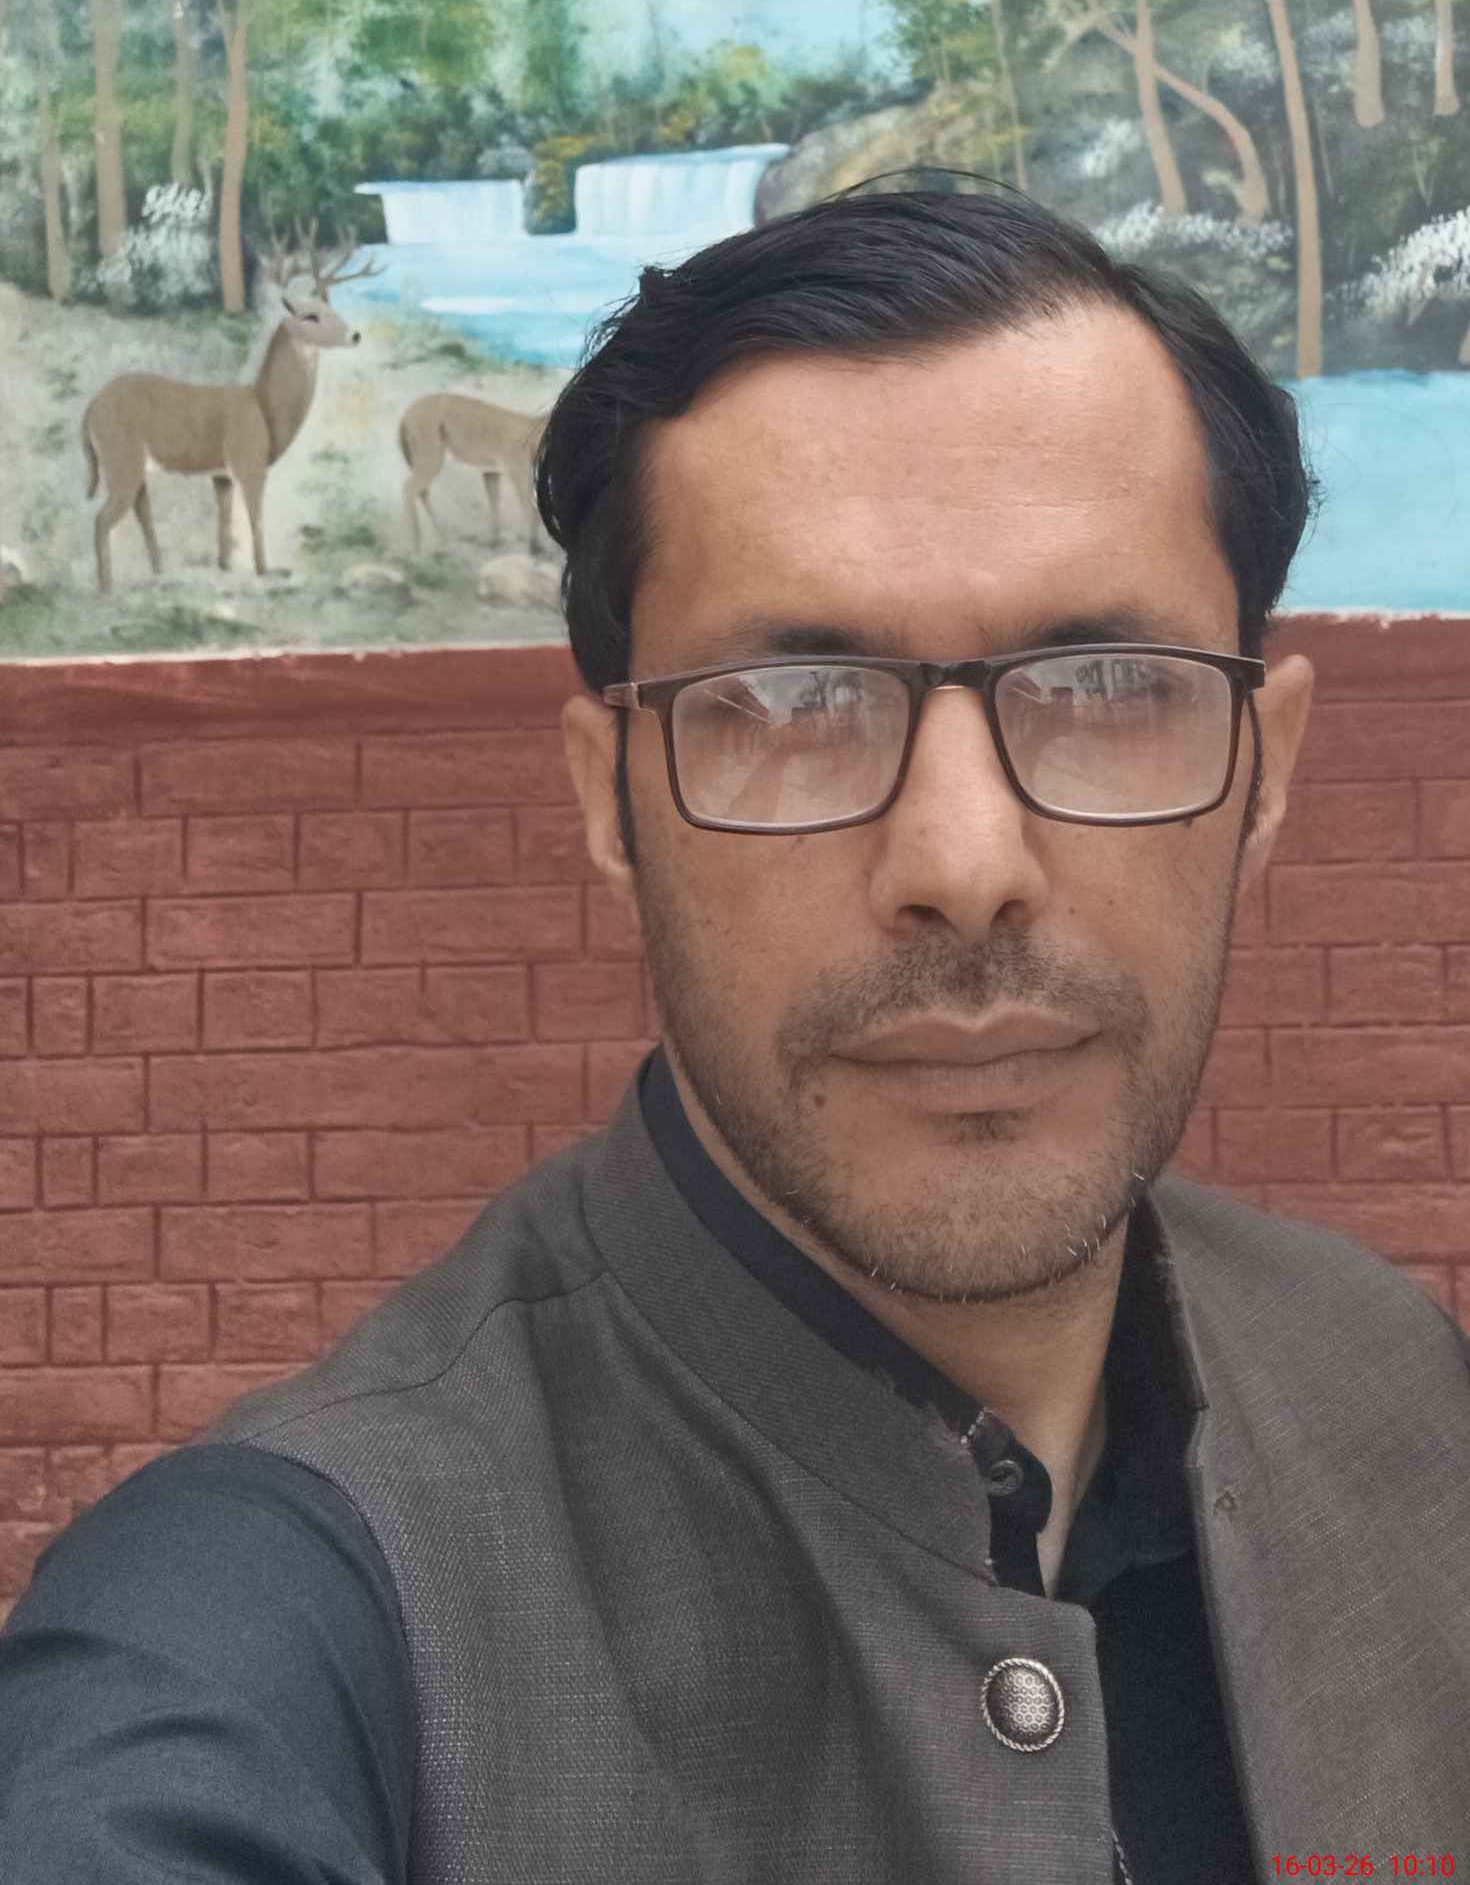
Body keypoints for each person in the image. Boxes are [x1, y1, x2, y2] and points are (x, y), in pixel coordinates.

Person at [1, 178, 1467, 1885]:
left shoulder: (1403, 1391)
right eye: (789, 703)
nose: (963, 866)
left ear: (1265, 776)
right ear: (609, 803)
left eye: (1103, 688)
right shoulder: (296, 1616)